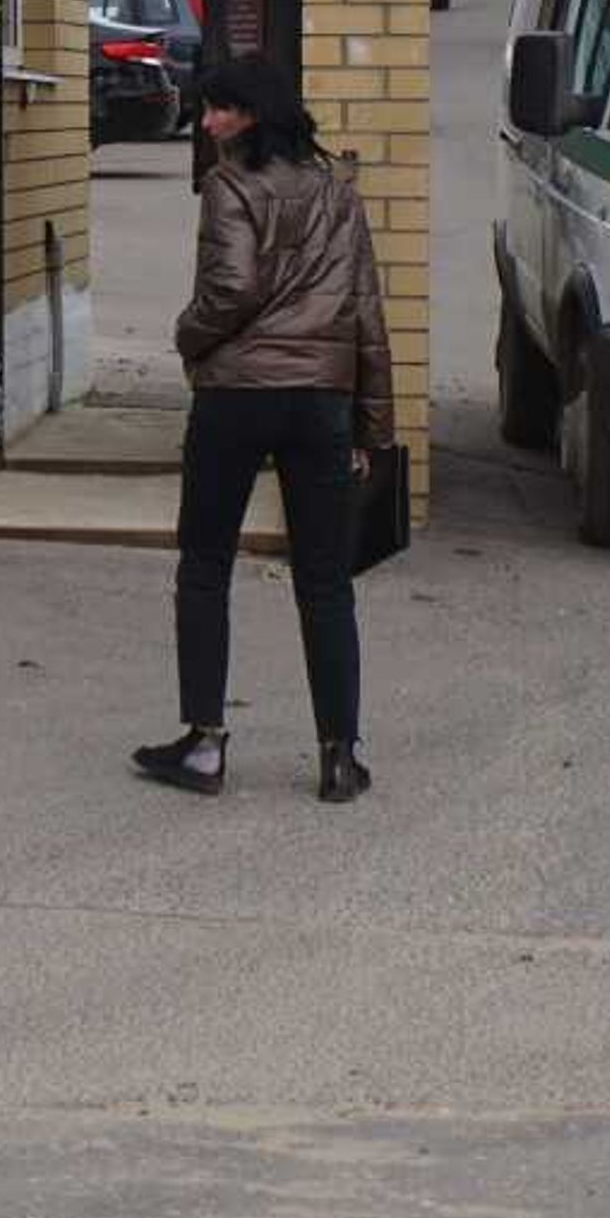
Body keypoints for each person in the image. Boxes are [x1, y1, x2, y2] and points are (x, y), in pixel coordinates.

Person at [136, 54, 397, 806]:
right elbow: (366, 314)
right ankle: (339, 755)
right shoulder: (335, 194)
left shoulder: (229, 185)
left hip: (237, 397)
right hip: (320, 402)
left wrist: (187, 337)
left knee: (205, 566)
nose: (208, 122)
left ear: (255, 114)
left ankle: (206, 746)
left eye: (222, 109)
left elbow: (232, 289)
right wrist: (372, 426)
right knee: (324, 581)